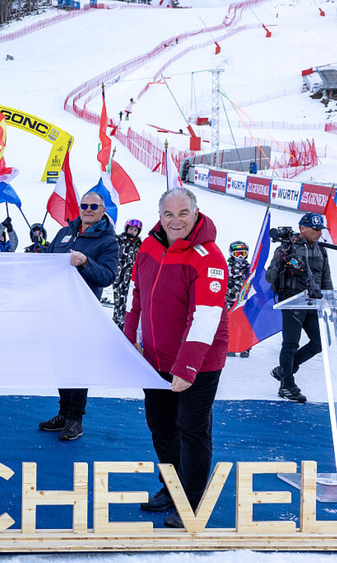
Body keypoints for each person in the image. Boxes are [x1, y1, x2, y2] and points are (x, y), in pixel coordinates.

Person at [123, 188, 229, 529]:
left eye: (183, 213)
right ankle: (172, 488)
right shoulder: (149, 244)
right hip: (155, 358)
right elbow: (135, 293)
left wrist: (186, 367)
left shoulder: (209, 256)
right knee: (162, 427)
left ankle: (193, 504)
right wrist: (130, 340)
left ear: (196, 213)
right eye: (169, 214)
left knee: (192, 430)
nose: (175, 221)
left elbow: (206, 316)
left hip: (199, 362)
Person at [37, 192, 119, 441]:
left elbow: (107, 276)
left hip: (84, 312)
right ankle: (63, 412)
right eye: (84, 205)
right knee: (61, 362)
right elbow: (48, 262)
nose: (88, 209)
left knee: (79, 364)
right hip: (59, 309)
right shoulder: (65, 232)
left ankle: (75, 418)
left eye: (94, 206)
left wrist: (85, 263)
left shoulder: (108, 241)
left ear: (103, 210)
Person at [265, 212, 333, 403]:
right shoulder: (286, 248)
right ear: (303, 228)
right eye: (315, 229)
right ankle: (287, 384)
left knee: (320, 342)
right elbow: (269, 277)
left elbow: (326, 279)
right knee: (290, 344)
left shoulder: (321, 250)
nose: (319, 233)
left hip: (313, 303)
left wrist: (330, 301)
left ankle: (285, 369)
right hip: (292, 301)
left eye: (321, 230)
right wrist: (280, 265)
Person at [113, 218, 143, 330]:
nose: (132, 231)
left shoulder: (139, 244)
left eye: (135, 230)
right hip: (119, 277)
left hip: (131, 279)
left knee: (129, 304)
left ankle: (127, 326)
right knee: (118, 303)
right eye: (131, 228)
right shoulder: (120, 239)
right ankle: (116, 325)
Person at [225, 241, 252, 358]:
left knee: (246, 324)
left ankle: (245, 347)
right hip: (231, 300)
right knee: (231, 323)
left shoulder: (249, 268)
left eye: (242, 254)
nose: (240, 257)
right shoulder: (227, 267)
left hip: (246, 302)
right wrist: (230, 288)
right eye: (237, 254)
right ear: (232, 254)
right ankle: (230, 346)